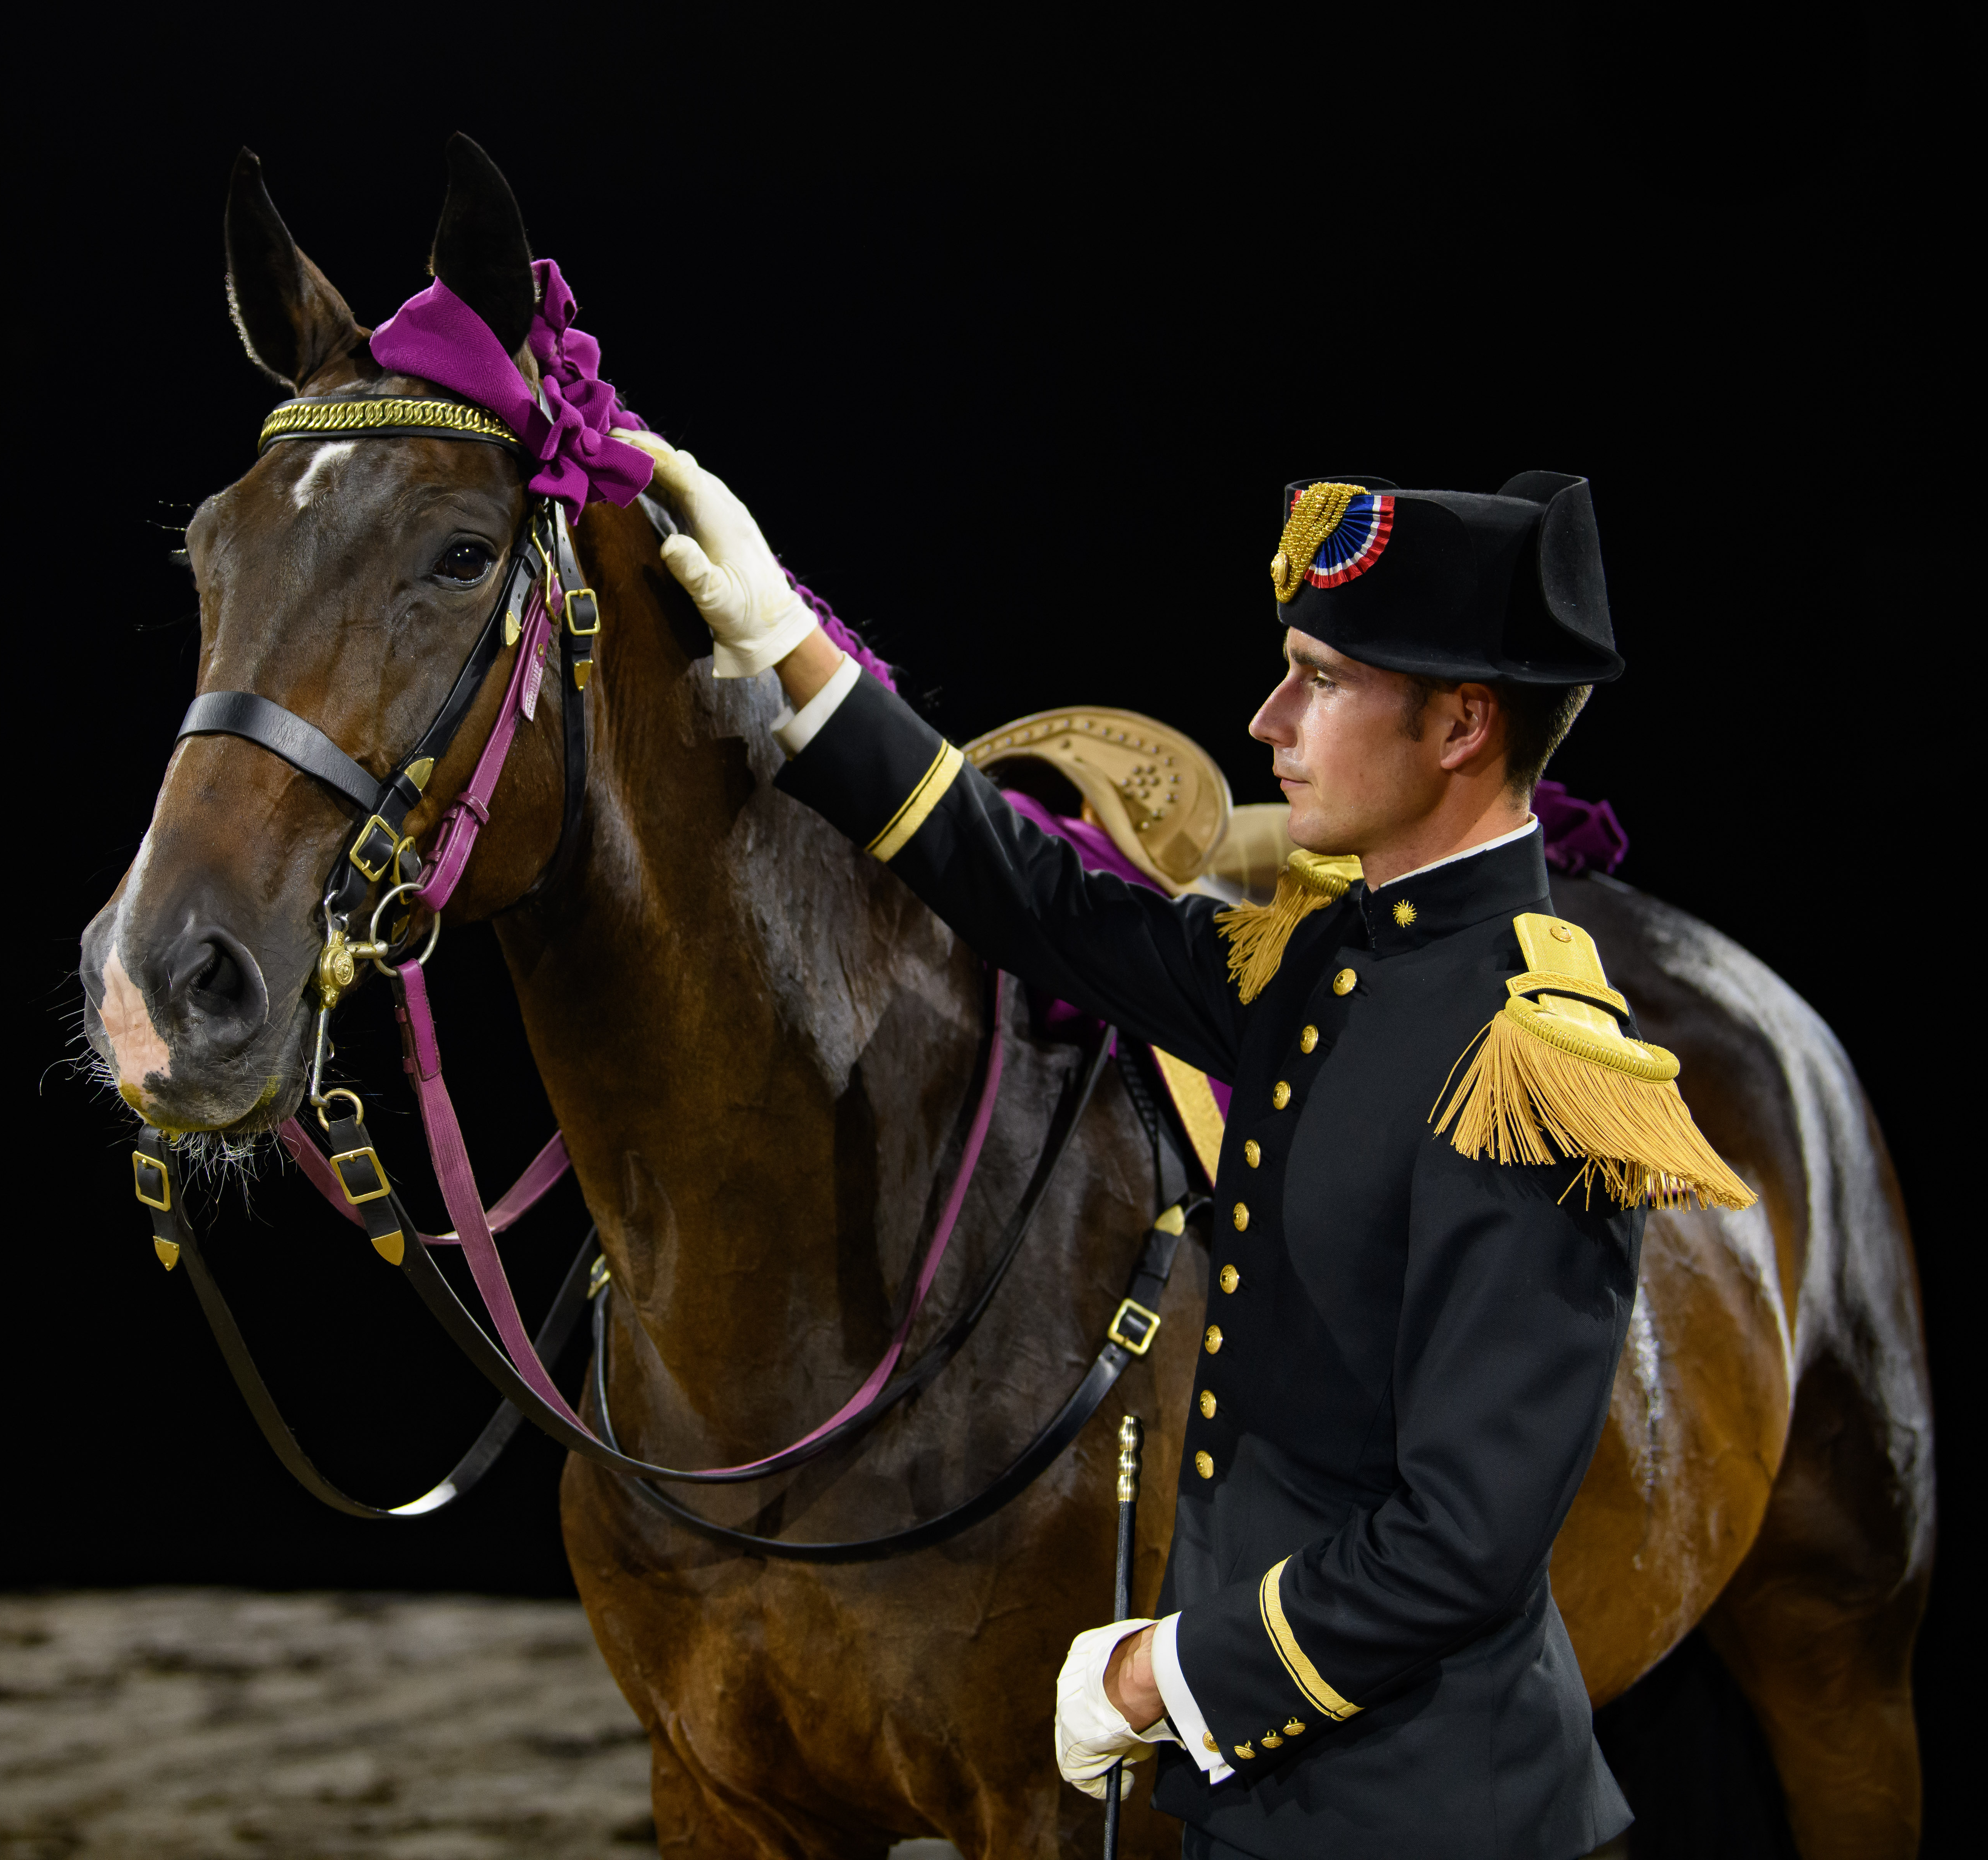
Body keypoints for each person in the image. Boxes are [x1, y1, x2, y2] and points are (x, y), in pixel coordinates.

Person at [624, 432, 1750, 1860]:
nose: (1269, 718)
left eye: (1323, 680)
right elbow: (1044, 902)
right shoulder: (1330, 959)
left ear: (1464, 725)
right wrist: (790, 642)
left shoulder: (1533, 1059)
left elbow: (1461, 1546)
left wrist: (1164, 1673)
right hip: (1267, 1797)